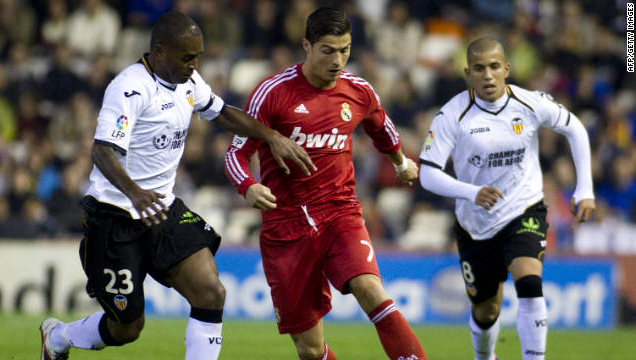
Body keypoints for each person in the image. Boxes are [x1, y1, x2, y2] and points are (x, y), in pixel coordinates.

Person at [39, 11, 315, 360]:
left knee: (211, 292)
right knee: (127, 328)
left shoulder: (189, 82)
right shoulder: (129, 88)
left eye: (198, 56)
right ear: (159, 53)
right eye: (188, 57)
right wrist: (135, 193)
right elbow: (102, 149)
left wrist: (271, 136)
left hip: (163, 209)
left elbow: (223, 113)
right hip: (115, 216)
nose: (195, 64)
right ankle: (59, 336)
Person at [224, 7, 428, 360]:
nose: (338, 60)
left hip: (339, 214)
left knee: (370, 289)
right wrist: (248, 185)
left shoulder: (359, 92)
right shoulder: (272, 92)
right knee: (310, 349)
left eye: (345, 50)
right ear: (307, 45)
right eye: (328, 50)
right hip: (285, 228)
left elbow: (383, 130)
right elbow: (236, 153)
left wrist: (401, 163)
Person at [418, 38, 596, 360]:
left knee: (529, 281)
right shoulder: (452, 116)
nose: (488, 75)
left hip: (523, 208)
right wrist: (472, 192)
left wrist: (585, 189)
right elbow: (427, 174)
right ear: (467, 73)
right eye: (479, 68)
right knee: (487, 311)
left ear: (507, 69)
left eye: (495, 67)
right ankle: (485, 357)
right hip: (476, 225)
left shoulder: (529, 103)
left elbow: (576, 129)